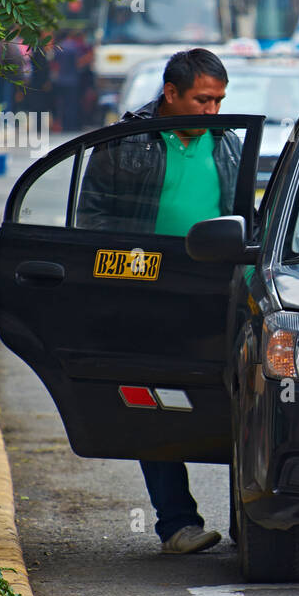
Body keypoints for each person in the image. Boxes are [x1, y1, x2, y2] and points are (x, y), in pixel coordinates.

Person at [77, 48, 240, 553]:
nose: (212, 111)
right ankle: (177, 525)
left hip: (216, 296)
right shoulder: (124, 145)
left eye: (219, 101)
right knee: (156, 408)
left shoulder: (229, 143)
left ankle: (249, 523)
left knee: (238, 404)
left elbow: (245, 219)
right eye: (202, 100)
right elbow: (93, 223)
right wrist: (134, 273)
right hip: (148, 298)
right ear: (171, 94)